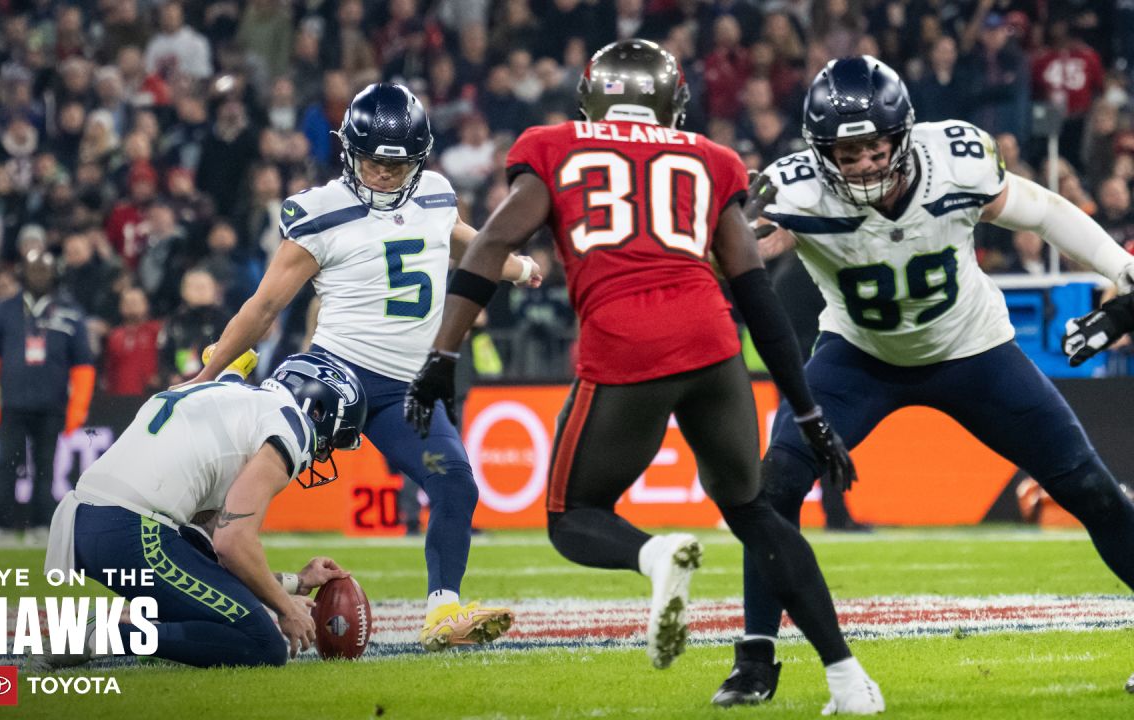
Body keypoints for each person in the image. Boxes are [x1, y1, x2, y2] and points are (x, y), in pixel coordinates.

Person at [403, 40, 882, 714]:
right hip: (714, 342)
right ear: (673, 103)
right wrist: (806, 412)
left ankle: (657, 558)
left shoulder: (555, 145)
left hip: (626, 342)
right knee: (755, 513)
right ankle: (847, 680)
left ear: (591, 99)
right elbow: (757, 296)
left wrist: (443, 356)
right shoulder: (710, 160)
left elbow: (491, 244)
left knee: (573, 519)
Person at [723, 55, 1134, 705]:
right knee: (772, 489)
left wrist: (1120, 265)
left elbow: (1042, 210)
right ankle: (754, 657)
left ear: (902, 137)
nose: (859, 165)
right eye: (845, 152)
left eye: (873, 148)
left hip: (973, 350)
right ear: (819, 152)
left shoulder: (958, 160)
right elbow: (737, 237)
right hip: (857, 357)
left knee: (1092, 489)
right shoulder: (793, 188)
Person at [183, 83, 540, 652]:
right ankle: (202, 575)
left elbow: (461, 239)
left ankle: (442, 613)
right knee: (238, 481)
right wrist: (209, 372)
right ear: (349, 152)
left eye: (397, 164)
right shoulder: (320, 211)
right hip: (333, 374)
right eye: (372, 160)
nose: (383, 174)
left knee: (456, 486)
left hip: (406, 388)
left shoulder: (436, 192)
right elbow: (266, 305)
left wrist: (515, 266)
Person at [31, 351, 366, 670]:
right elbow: (232, 543)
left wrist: (294, 584)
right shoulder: (291, 427)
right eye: (335, 440)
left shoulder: (228, 395)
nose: (324, 454)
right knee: (263, 643)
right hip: (133, 530)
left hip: (89, 524)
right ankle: (108, 635)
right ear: (319, 411)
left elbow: (210, 564)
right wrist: (283, 607)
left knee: (204, 558)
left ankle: (140, 629)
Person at [0, 250, 96, 543]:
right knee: (6, 465)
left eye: (44, 270)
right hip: (13, 404)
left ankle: (41, 526)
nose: (39, 276)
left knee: (46, 469)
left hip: (51, 405)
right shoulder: (5, 310)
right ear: (23, 273)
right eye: (33, 270)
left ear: (54, 273)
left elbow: (83, 365)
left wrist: (78, 409)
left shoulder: (70, 311)